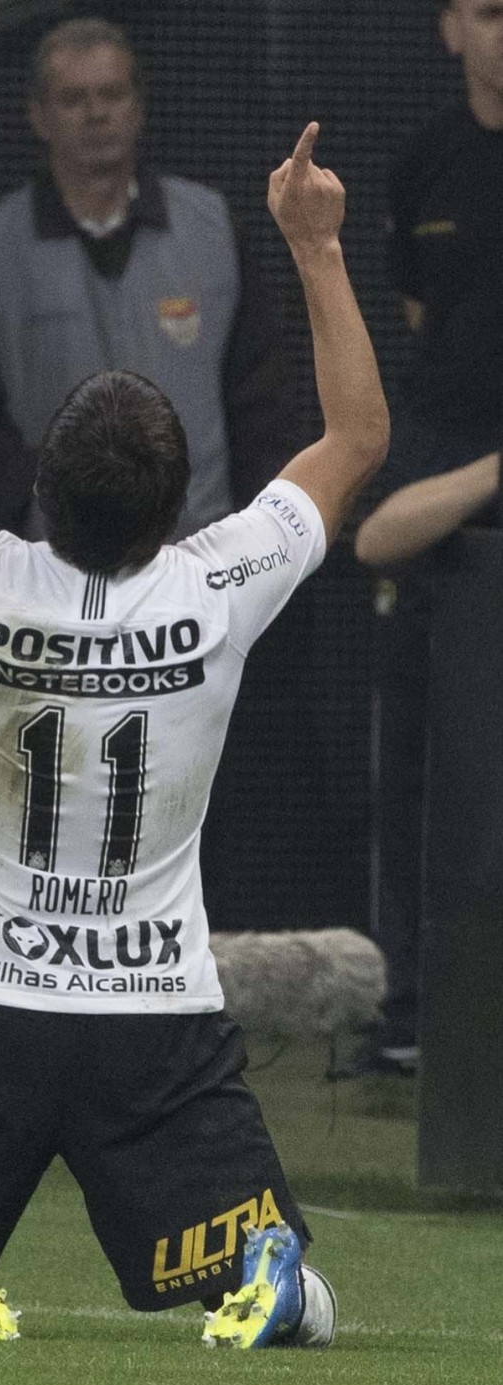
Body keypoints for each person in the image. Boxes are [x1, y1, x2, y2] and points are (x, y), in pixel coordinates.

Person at [0, 115, 388, 1347]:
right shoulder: (216, 586)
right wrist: (314, 246)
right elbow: (357, 438)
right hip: (155, 1021)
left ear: (40, 488)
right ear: (176, 507)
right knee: (298, 1293)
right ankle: (270, 1287)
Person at [0, 17, 297, 540]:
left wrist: (253, 533)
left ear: (139, 106)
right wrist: (32, 500)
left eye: (112, 94)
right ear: (38, 116)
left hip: (200, 556)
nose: (97, 114)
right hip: (51, 563)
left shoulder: (212, 229)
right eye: (73, 99)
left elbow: (263, 397)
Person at [344, 0, 503, 1078]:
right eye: (489, 12)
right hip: (449, 454)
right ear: (451, 29)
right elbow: (416, 319)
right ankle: (410, 1011)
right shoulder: (425, 162)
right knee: (414, 762)